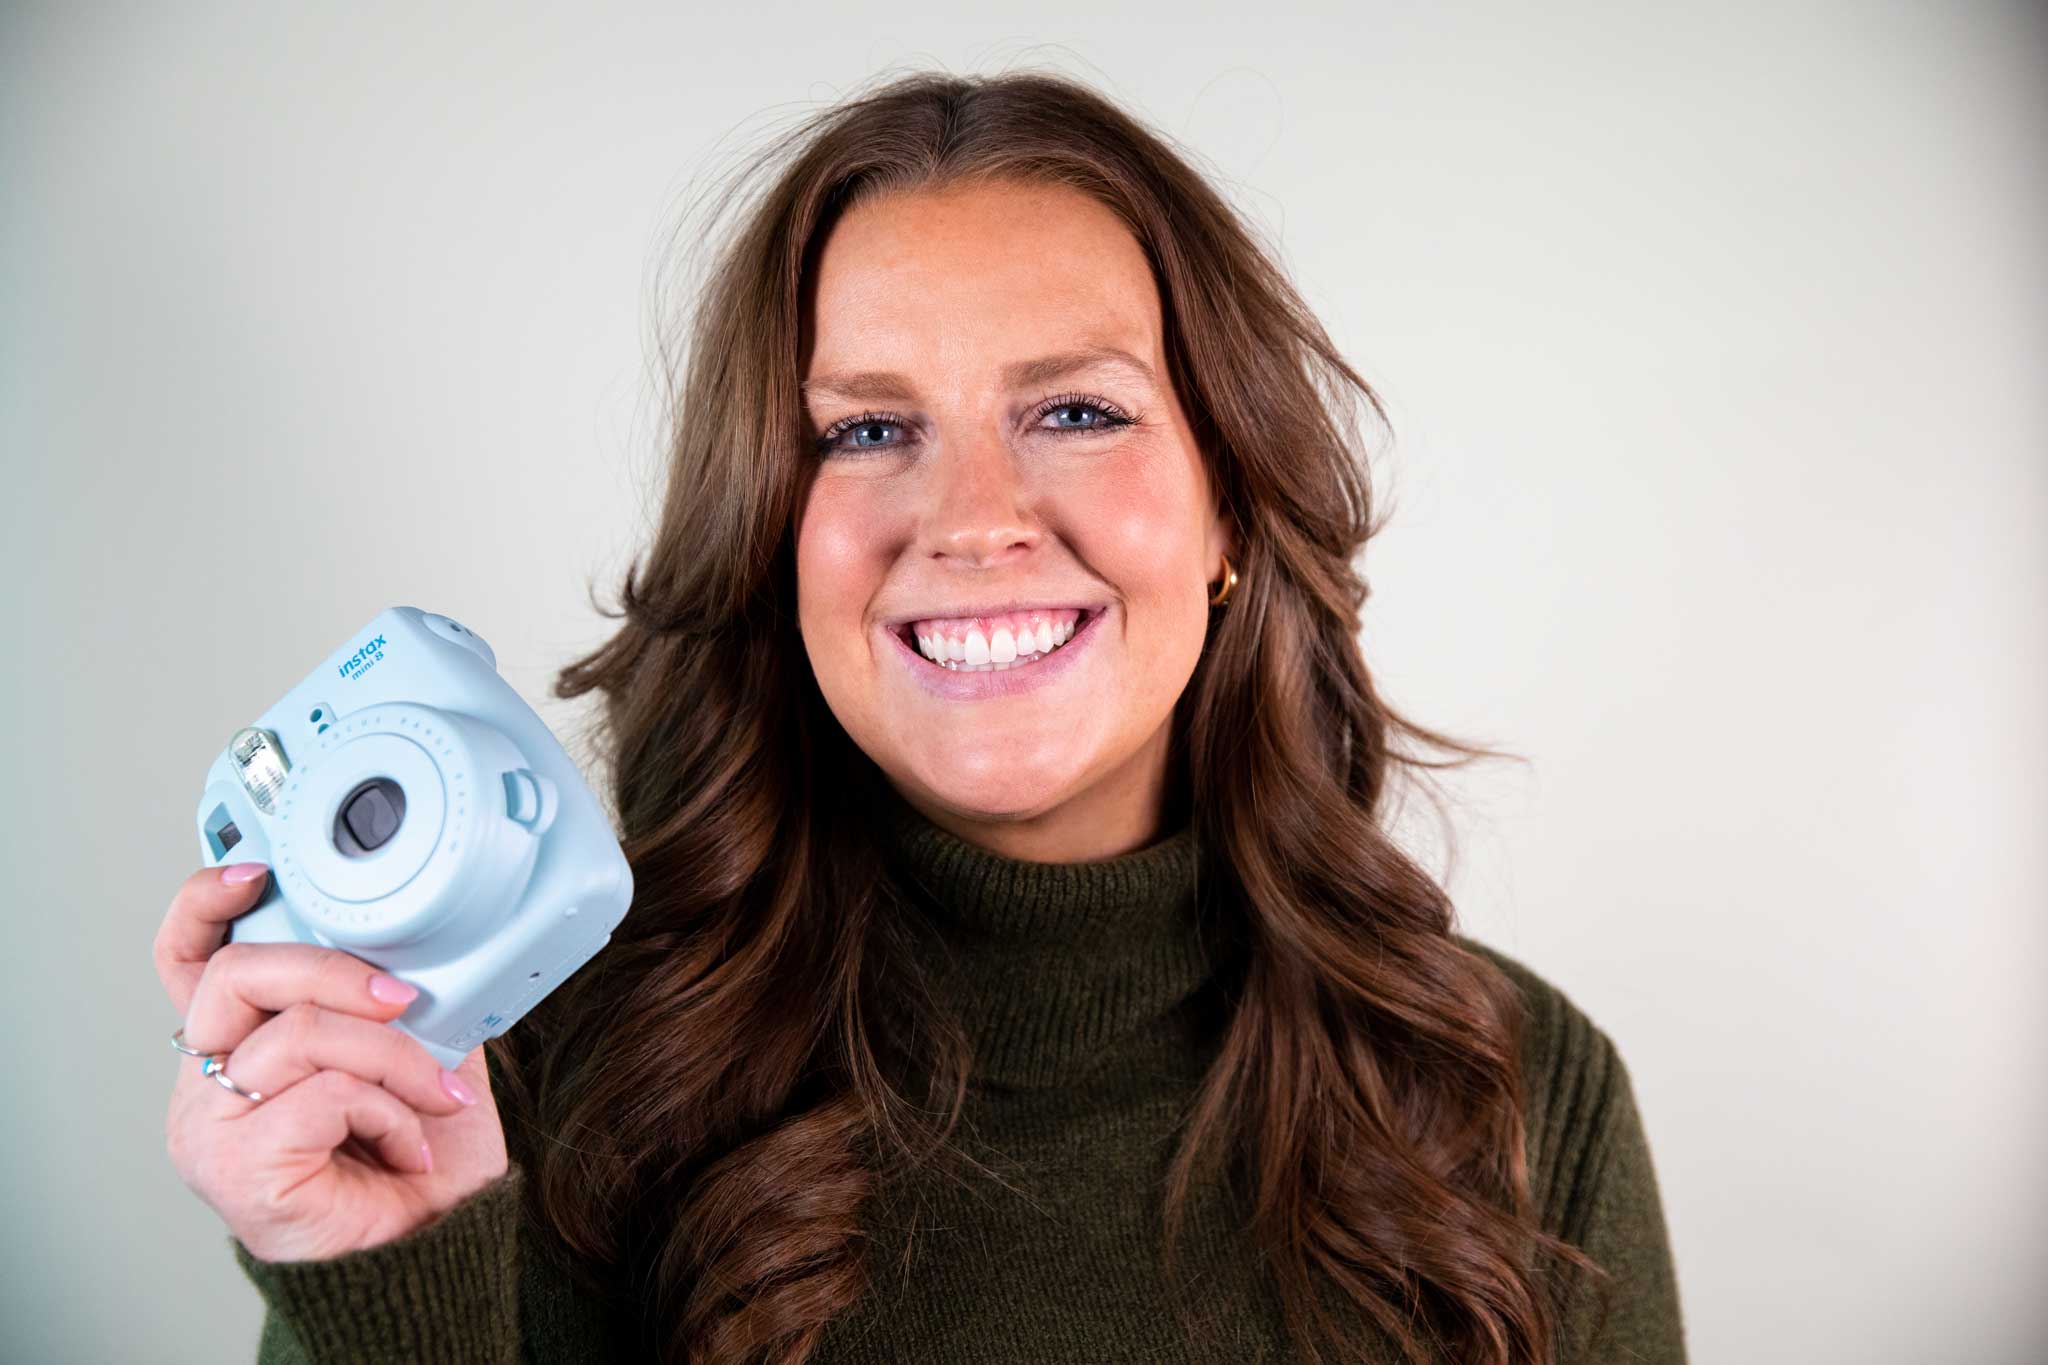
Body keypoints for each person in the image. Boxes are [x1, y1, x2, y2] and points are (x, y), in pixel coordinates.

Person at [157, 69, 1686, 1365]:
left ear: (1232, 507)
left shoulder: (1516, 1089)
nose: (972, 519)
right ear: (770, 530)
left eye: (1077, 410)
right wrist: (383, 1281)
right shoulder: (519, 1094)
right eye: (869, 429)